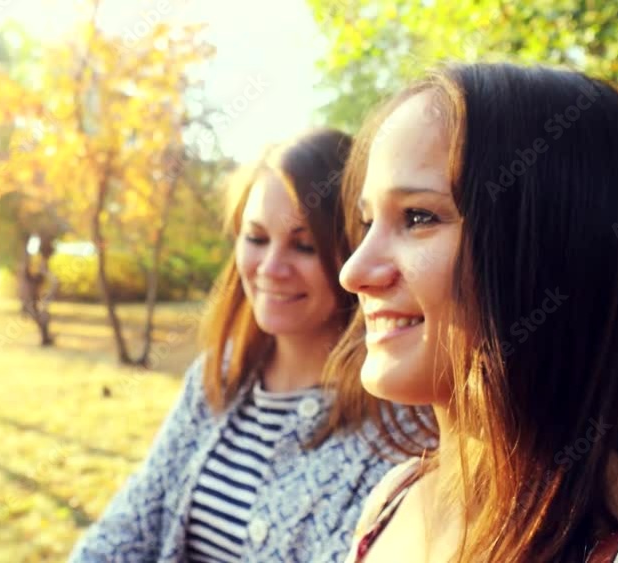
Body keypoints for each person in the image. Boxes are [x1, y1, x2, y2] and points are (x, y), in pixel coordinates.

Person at [331, 63, 618, 562]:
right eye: (368, 221)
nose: (354, 271)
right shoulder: (395, 497)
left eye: (419, 217)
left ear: (555, 253)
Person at [69, 128, 430, 563]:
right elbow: (131, 524)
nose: (271, 268)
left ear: (353, 250)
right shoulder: (217, 377)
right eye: (256, 238)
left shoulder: (403, 429)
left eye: (304, 246)